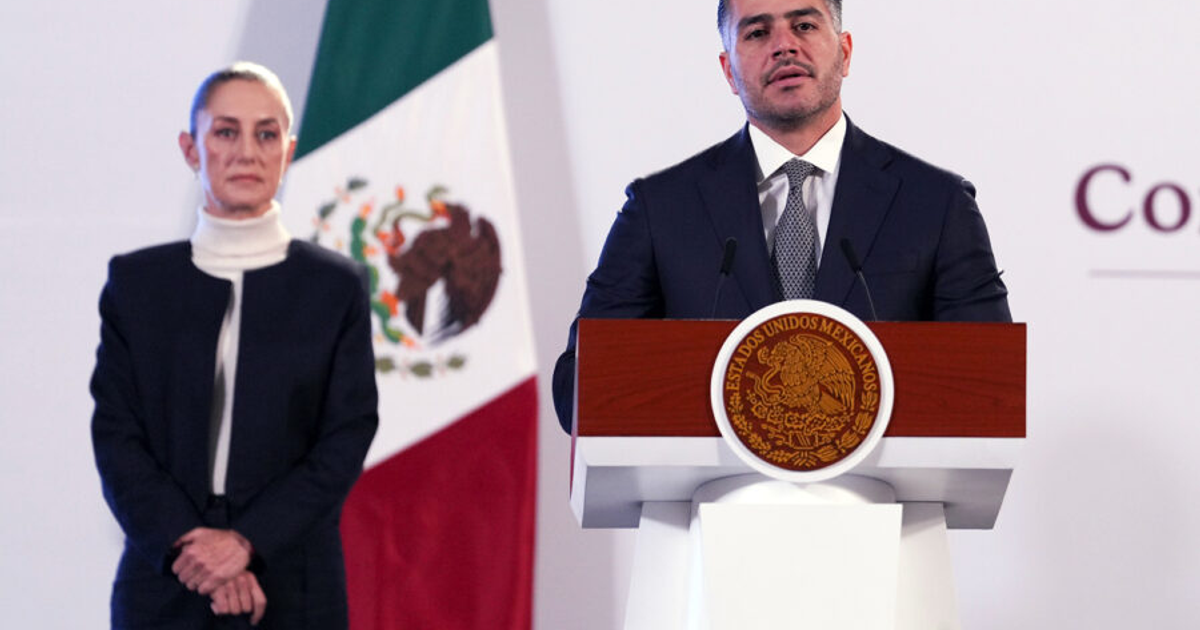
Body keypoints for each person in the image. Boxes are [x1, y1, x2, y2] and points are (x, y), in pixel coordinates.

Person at [552, 0, 1011, 433]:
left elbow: (990, 386)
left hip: (884, 510)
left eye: (805, 25)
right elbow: (579, 390)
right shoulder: (660, 210)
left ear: (845, 52)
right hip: (714, 509)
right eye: (757, 32)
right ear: (729, 70)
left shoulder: (935, 204)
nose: (784, 45)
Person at [90, 62, 379, 629]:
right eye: (225, 131)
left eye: (265, 134)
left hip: (294, 586)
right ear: (191, 149)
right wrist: (195, 551)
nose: (247, 151)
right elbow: (118, 439)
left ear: (288, 150)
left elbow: (344, 439)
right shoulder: (136, 285)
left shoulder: (335, 288)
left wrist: (247, 544)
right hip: (165, 582)